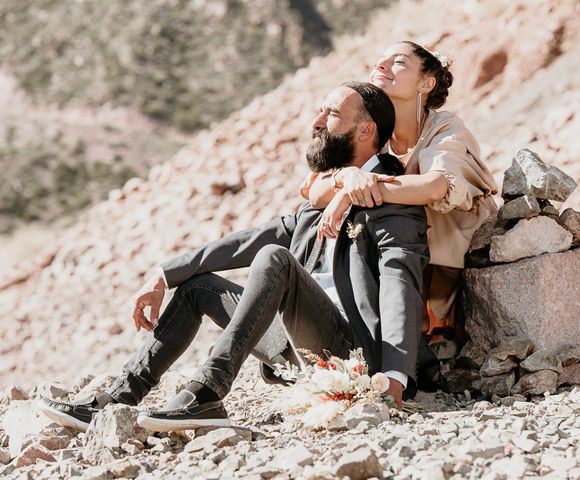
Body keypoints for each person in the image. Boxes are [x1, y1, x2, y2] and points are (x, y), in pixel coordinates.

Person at [40, 81, 430, 433]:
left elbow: (401, 284)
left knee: (274, 259)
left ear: (365, 131)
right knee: (198, 286)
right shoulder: (326, 193)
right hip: (295, 348)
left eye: (330, 115)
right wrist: (163, 274)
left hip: (353, 355)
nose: (316, 121)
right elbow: (247, 240)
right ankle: (116, 399)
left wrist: (393, 377)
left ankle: (208, 390)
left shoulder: (392, 197)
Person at [301, 41, 498, 346]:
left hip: (456, 262)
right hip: (404, 255)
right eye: (379, 60)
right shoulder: (374, 132)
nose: (381, 65)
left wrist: (356, 190)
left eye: (399, 62)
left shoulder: (446, 129)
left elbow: (436, 186)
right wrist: (347, 177)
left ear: (426, 82)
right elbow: (315, 190)